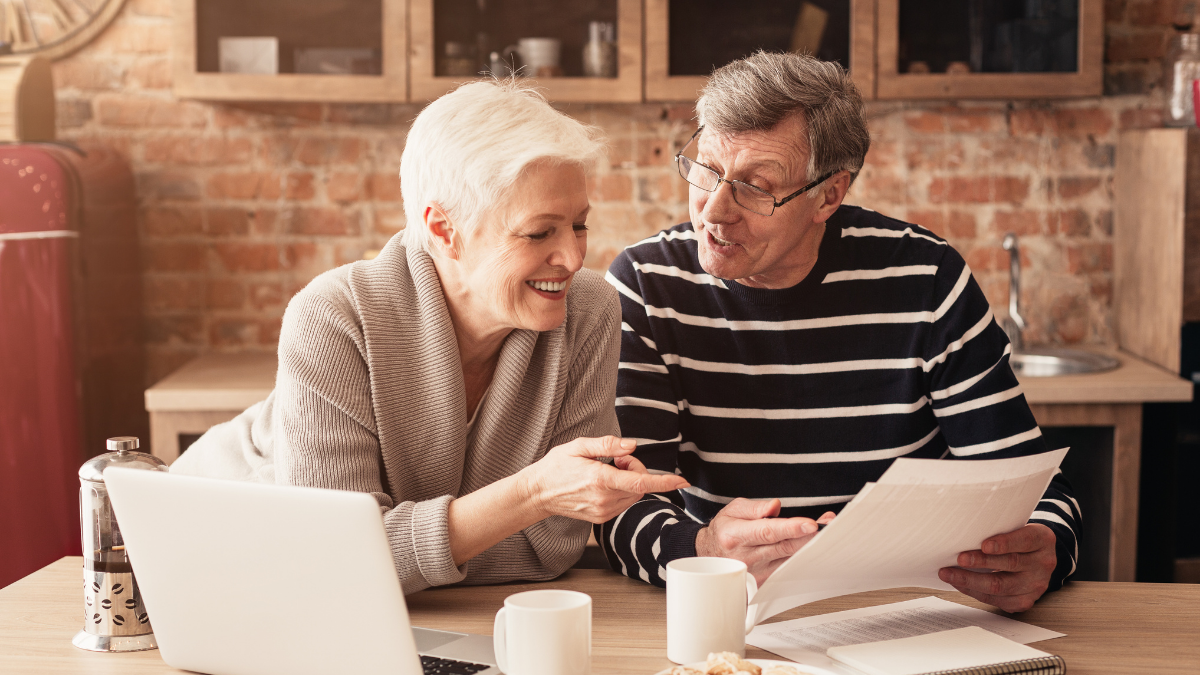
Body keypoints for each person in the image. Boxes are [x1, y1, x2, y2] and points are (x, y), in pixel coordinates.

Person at [596, 52, 1080, 613]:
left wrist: (1045, 547)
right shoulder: (647, 283)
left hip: (909, 606)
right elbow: (622, 504)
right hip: (732, 605)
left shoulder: (925, 278)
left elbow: (1031, 487)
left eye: (756, 186)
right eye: (706, 169)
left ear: (829, 194)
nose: (715, 210)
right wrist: (702, 548)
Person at [172, 80, 687, 593]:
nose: (573, 258)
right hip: (203, 561)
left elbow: (551, 549)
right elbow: (331, 563)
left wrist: (391, 550)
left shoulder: (589, 310)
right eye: (538, 232)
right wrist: (530, 495)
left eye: (579, 225)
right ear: (443, 231)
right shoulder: (332, 316)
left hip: (389, 608)